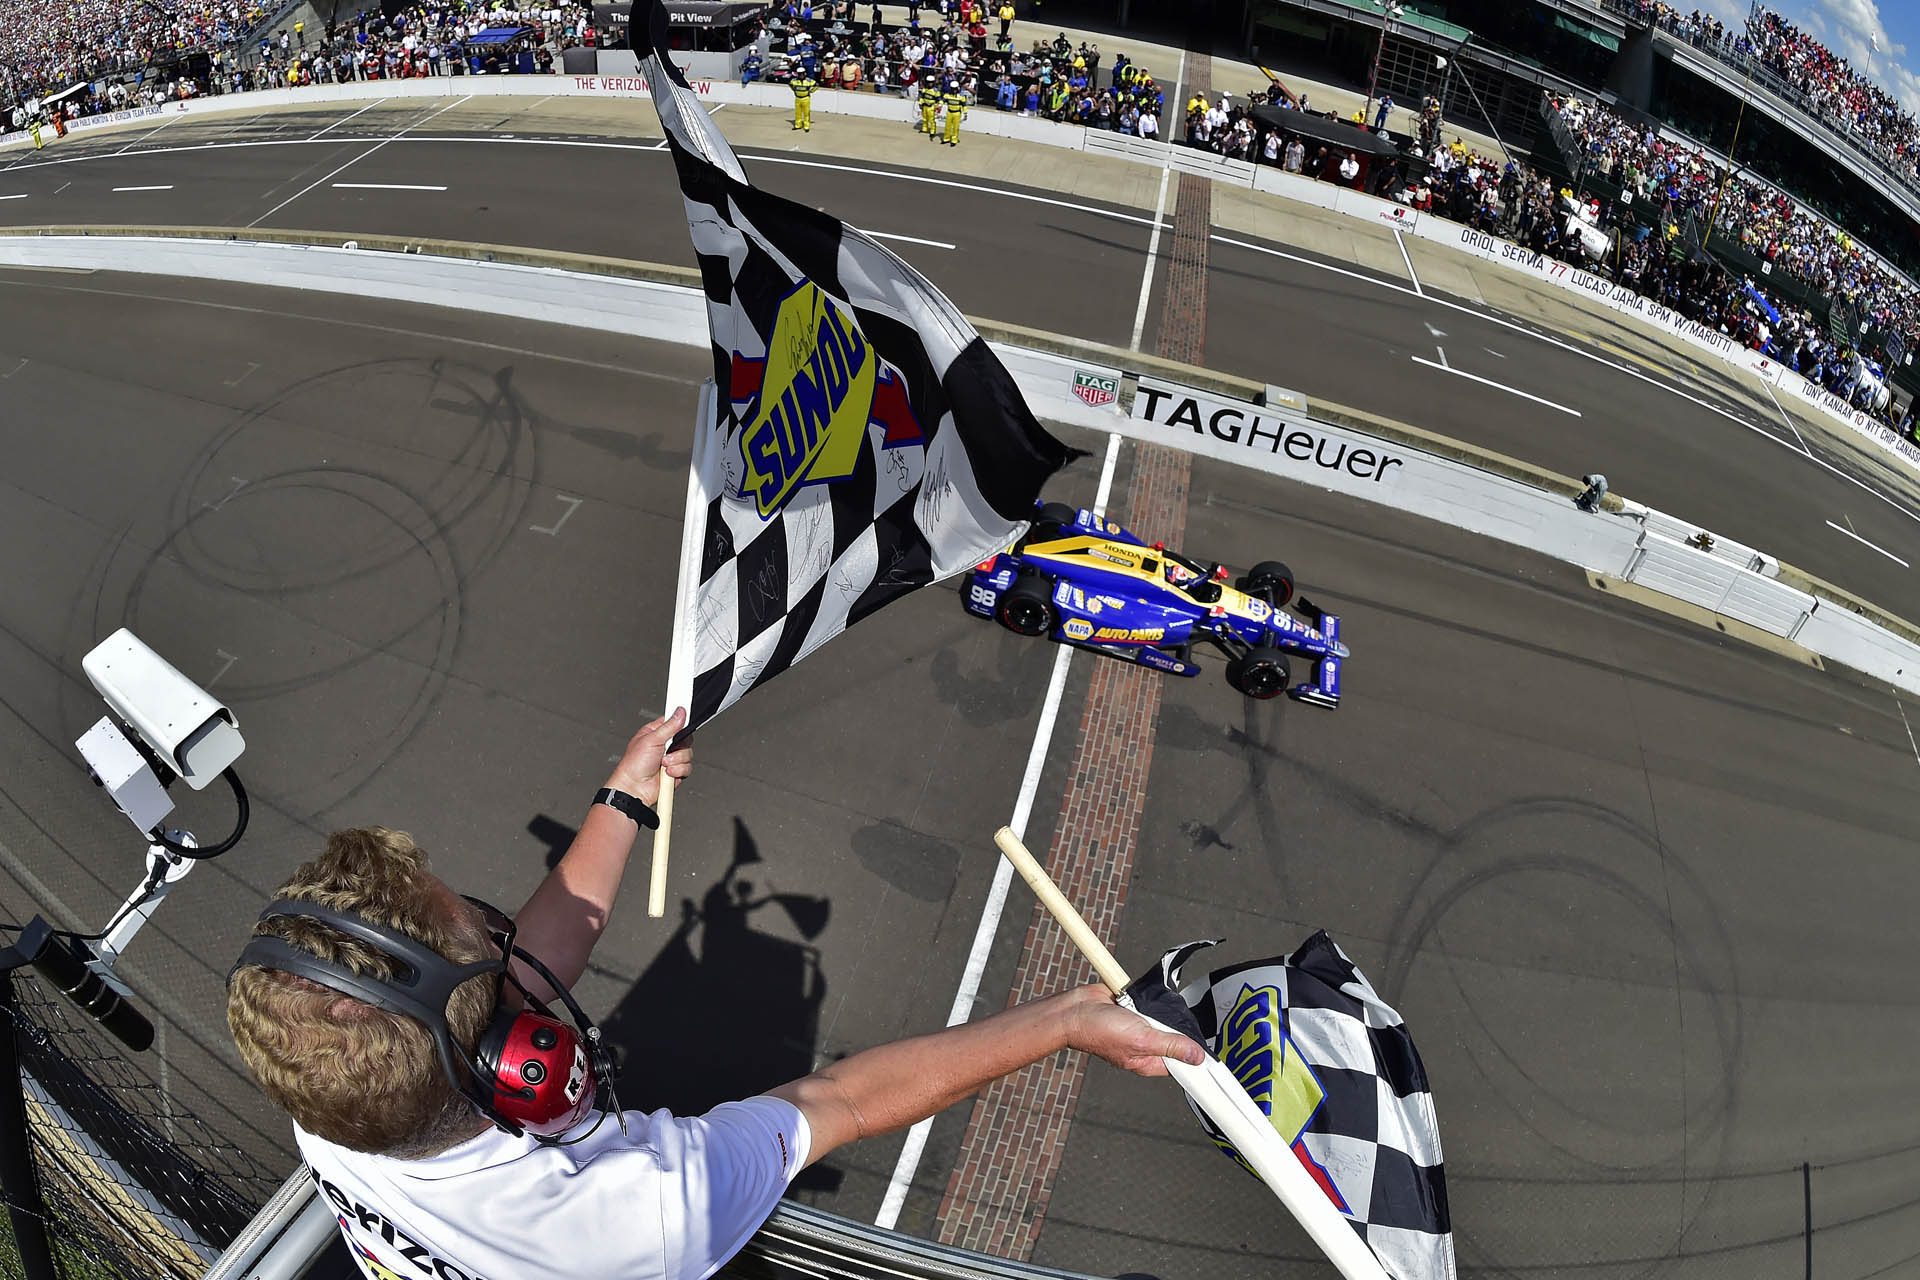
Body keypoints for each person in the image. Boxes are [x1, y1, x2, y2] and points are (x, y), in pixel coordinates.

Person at [227, 711, 1201, 1280]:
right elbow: (841, 1099)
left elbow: (522, 972)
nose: (506, 928)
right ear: (518, 1064)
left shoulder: (323, 1088)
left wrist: (624, 794)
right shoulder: (644, 1215)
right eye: (487, 927)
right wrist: (1063, 1020)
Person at [941, 75, 968, 145]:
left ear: (957, 88)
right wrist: (939, 105)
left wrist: (965, 113)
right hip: (949, 112)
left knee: (955, 128)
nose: (954, 90)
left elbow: (964, 105)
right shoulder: (947, 95)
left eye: (955, 89)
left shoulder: (961, 96)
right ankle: (946, 138)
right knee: (947, 127)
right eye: (952, 89)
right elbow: (942, 101)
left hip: (957, 113)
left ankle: (954, 140)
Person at [790, 65, 817, 131]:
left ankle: (806, 126)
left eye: (802, 74)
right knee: (798, 113)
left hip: (806, 98)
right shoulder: (794, 81)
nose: (801, 75)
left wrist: (811, 91)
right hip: (797, 98)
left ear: (804, 73)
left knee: (806, 113)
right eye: (799, 74)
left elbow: (816, 85)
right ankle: (798, 125)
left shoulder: (809, 81)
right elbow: (790, 85)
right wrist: (794, 91)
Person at [919, 70, 941, 136]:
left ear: (933, 83)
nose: (930, 83)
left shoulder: (935, 91)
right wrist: (920, 104)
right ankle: (924, 129)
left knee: (932, 120)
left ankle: (932, 131)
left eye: (931, 82)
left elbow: (938, 100)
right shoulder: (924, 89)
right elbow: (922, 97)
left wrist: (937, 106)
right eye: (928, 82)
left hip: (931, 107)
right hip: (925, 106)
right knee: (924, 118)